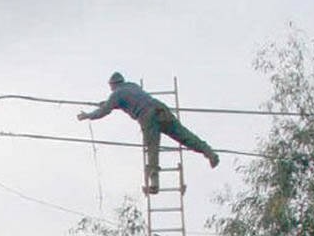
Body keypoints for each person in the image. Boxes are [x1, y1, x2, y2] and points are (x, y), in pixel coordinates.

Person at [77, 72, 219, 194]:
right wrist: (107, 103)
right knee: (184, 136)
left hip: (147, 116)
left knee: (152, 148)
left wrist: (88, 115)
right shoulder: (133, 86)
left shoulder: (116, 94)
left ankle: (154, 181)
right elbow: (122, 102)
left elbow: (106, 109)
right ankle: (209, 152)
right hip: (160, 109)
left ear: (113, 85)